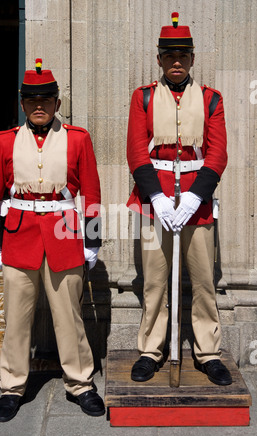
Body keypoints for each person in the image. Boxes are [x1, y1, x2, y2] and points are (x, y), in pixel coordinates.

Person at [0, 59, 105, 422]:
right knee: (16, 319)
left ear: (57, 104)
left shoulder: (77, 139)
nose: (39, 106)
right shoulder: (4, 141)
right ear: (22, 104)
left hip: (65, 237)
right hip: (19, 239)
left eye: (46, 100)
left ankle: (80, 383)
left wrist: (92, 240)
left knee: (69, 316)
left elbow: (92, 192)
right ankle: (12, 386)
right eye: (32, 100)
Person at [127, 13, 232, 386]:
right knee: (154, 281)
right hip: (155, 203)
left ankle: (208, 352)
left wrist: (192, 198)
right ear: (158, 59)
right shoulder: (142, 98)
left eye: (182, 56)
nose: (176, 63)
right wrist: (155, 195)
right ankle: (151, 349)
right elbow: (137, 153)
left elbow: (217, 154)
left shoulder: (210, 98)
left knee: (203, 281)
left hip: (196, 204)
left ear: (191, 59)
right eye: (169, 56)